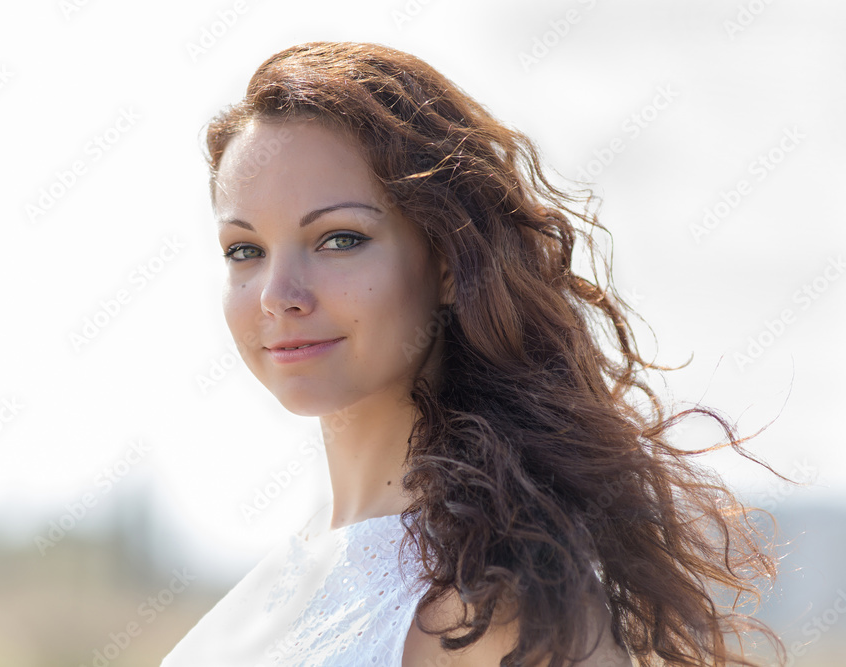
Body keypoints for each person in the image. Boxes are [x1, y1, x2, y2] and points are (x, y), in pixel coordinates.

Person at [160, 41, 786, 667]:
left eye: (339, 239)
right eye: (244, 251)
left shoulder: (497, 607)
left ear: (448, 265)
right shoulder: (274, 584)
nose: (277, 295)